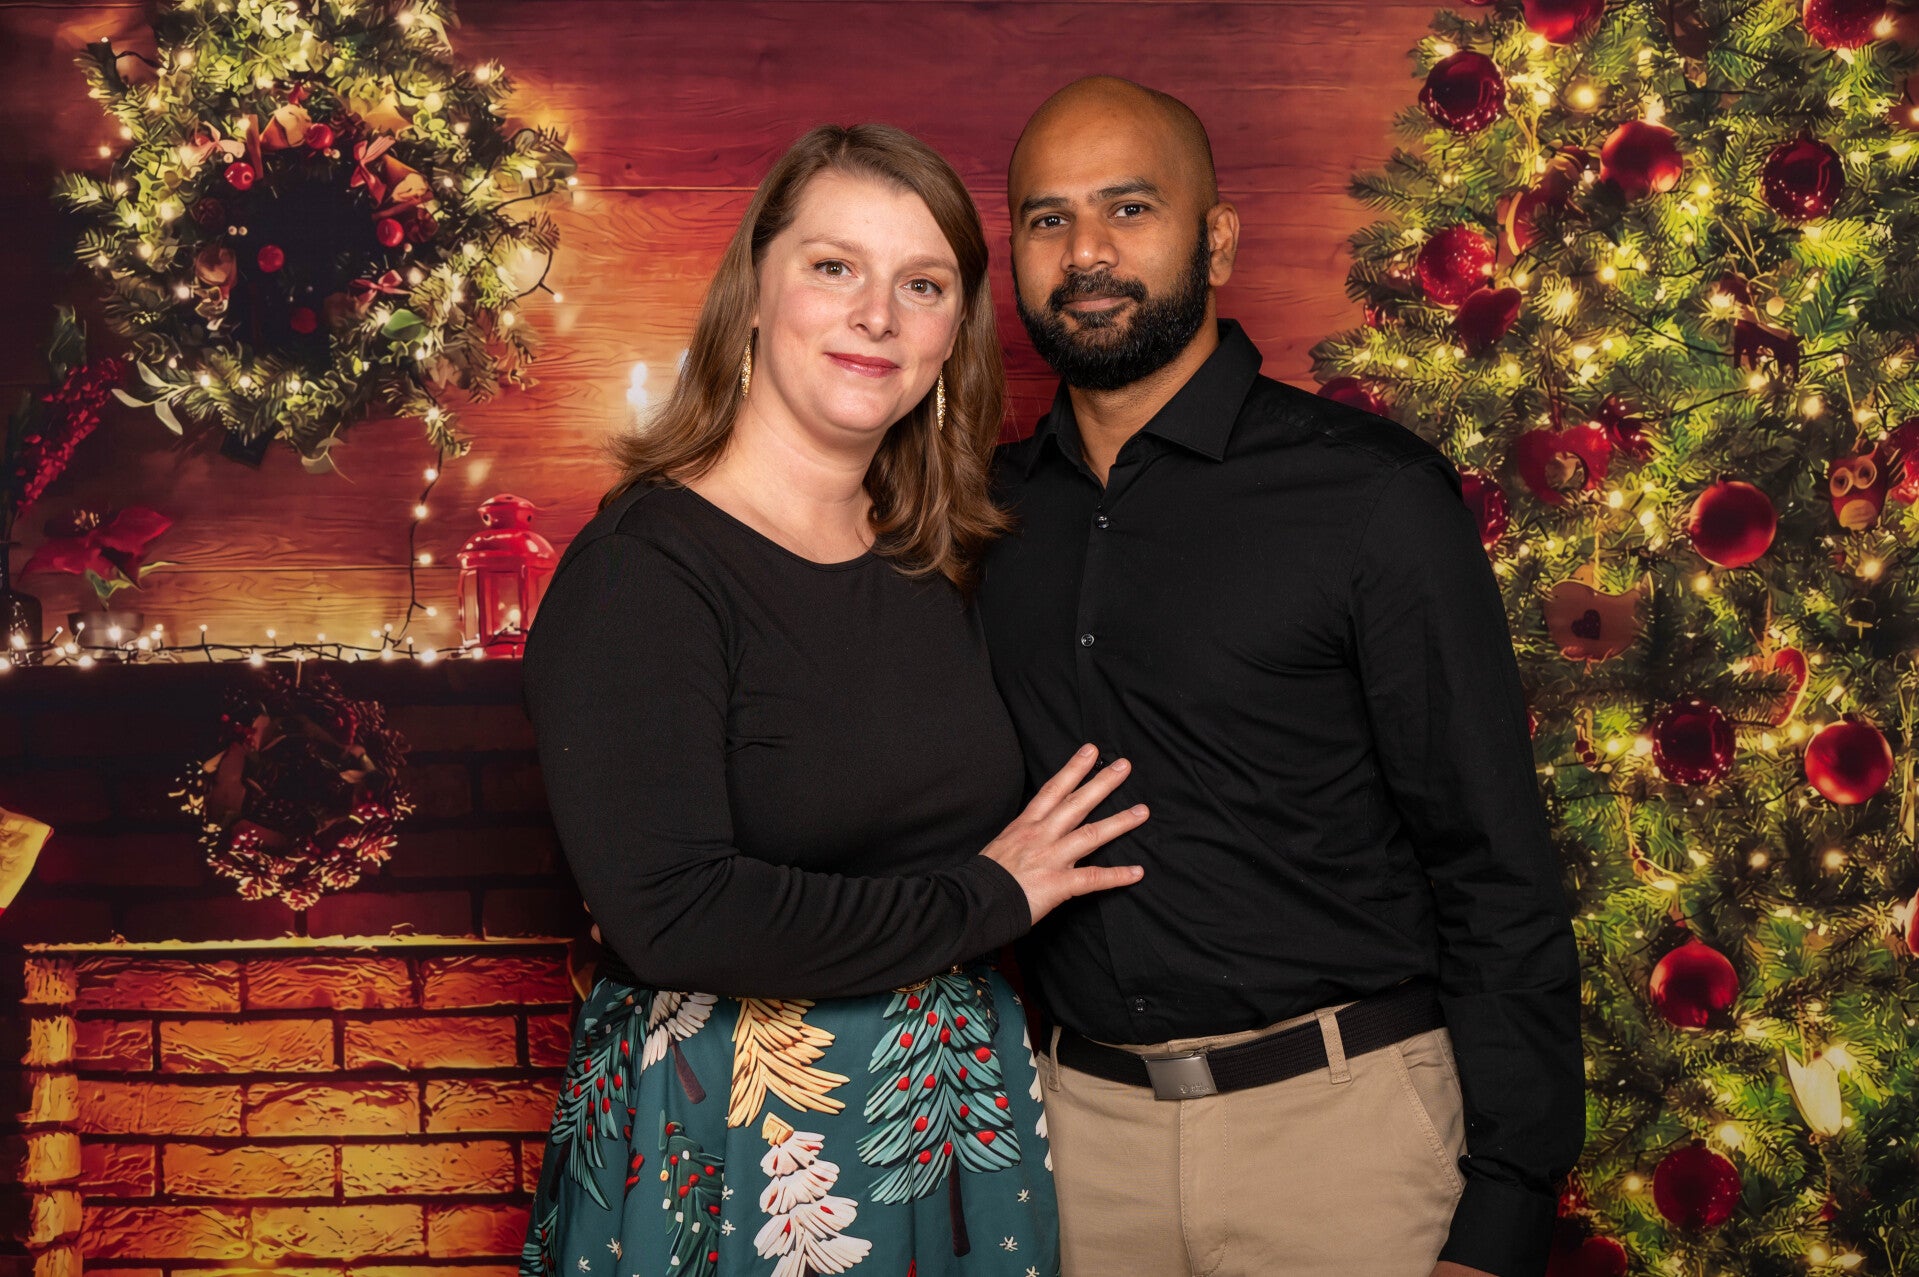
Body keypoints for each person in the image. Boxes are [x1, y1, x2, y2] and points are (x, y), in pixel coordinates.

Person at [977, 77, 1585, 1277]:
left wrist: (1505, 1206)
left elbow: (1491, 860)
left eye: (1128, 208)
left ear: (1216, 240)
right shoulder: (980, 517)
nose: (1085, 251)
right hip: (1081, 1148)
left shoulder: (1368, 496)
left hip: (1343, 1140)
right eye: (1048, 218)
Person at [516, 123, 1149, 1277]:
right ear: (752, 293)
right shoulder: (643, 568)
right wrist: (986, 896)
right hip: (732, 1142)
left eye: (922, 285)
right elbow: (672, 912)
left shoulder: (939, 558)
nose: (876, 316)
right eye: (832, 266)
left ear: (952, 333)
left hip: (955, 1125)